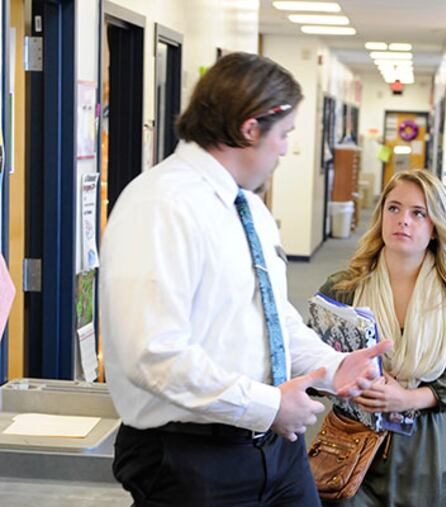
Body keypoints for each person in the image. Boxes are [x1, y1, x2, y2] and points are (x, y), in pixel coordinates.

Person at [100, 52, 391, 507]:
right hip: (191, 459)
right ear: (250, 128)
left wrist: (332, 367)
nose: (286, 149)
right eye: (285, 134)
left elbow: (272, 319)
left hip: (276, 448)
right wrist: (269, 405)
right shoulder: (160, 205)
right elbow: (154, 355)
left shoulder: (249, 208)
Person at [316, 169, 446, 506]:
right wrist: (349, 379)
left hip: (420, 449)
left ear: (435, 227)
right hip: (352, 443)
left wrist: (408, 399)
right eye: (394, 208)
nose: (403, 220)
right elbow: (312, 367)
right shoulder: (343, 288)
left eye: (418, 213)